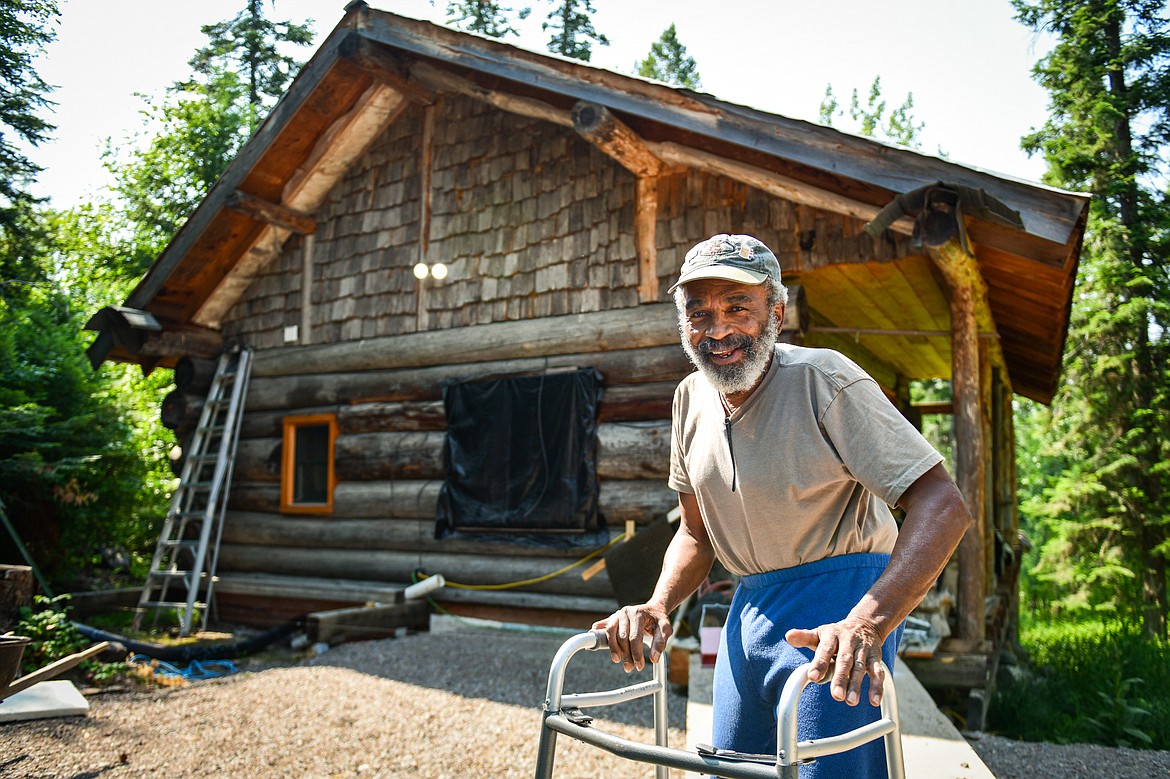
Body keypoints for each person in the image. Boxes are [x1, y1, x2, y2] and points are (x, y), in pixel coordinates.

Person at [594, 233, 972, 777]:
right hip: (747, 614)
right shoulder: (689, 397)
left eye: (736, 308)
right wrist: (657, 605)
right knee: (733, 768)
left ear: (776, 311)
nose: (717, 329)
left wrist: (867, 623)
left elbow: (942, 504)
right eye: (698, 313)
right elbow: (697, 534)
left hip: (837, 613)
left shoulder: (824, 379)